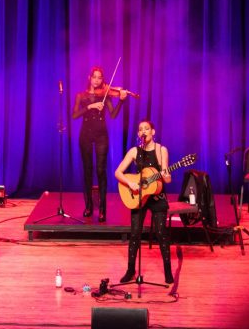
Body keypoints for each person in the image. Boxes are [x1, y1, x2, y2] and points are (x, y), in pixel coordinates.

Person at [114, 120, 174, 284]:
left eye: (147, 128)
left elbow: (167, 179)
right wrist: (130, 183)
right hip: (139, 196)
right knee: (134, 234)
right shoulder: (135, 151)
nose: (144, 131)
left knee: (161, 234)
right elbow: (118, 172)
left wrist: (166, 174)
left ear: (153, 132)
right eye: (140, 129)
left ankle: (168, 270)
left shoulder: (162, 150)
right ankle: (130, 270)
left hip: (157, 196)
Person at [72, 66, 128, 222]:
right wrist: (89, 107)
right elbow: (75, 115)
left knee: (101, 170)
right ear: (89, 77)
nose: (97, 80)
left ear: (103, 80)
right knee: (88, 171)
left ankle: (102, 208)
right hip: (86, 135)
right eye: (94, 77)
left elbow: (114, 114)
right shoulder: (81, 96)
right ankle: (88, 205)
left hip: (101, 136)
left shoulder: (106, 95)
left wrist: (121, 101)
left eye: (100, 78)